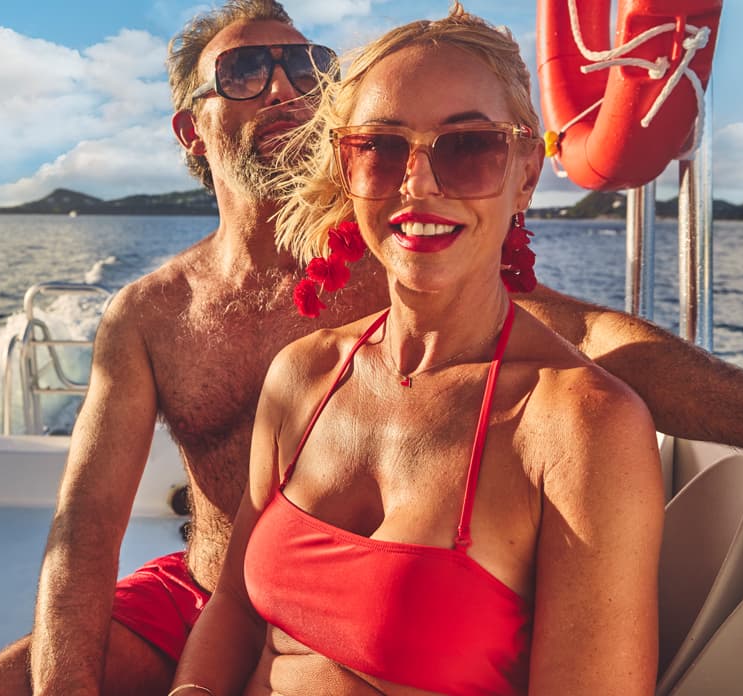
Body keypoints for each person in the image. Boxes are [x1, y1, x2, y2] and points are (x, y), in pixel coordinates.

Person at [0, 1, 743, 693]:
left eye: (303, 63)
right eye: (245, 71)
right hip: (211, 589)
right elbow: (85, 529)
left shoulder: (402, 255)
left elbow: (591, 340)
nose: (282, 85)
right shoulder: (155, 315)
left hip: (378, 619)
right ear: (191, 130)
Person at [172, 9, 659, 693]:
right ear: (345, 167)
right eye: (380, 146)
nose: (419, 184)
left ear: (526, 173)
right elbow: (234, 611)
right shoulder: (303, 374)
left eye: (467, 146)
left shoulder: (578, 425)